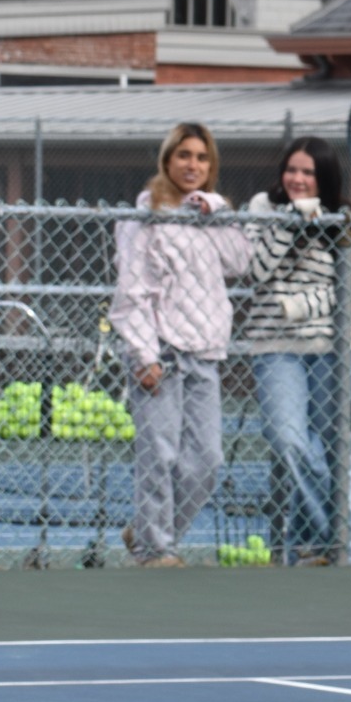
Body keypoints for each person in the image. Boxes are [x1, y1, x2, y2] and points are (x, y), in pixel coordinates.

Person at [110, 122, 252, 567]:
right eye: (184, 155)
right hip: (162, 351)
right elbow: (131, 292)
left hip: (205, 351)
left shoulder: (207, 213)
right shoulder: (146, 214)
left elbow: (240, 261)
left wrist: (219, 212)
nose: (193, 165)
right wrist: (144, 354)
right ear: (167, 160)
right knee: (160, 454)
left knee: (207, 459)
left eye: (202, 157)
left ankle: (149, 529)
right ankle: (155, 549)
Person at [245, 136, 351, 566]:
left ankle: (306, 550)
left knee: (331, 447)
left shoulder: (348, 219)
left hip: (335, 347)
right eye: (292, 170)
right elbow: (255, 270)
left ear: (325, 177)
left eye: (308, 172)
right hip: (276, 345)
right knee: (288, 440)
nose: (298, 179)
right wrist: (291, 221)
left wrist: (301, 305)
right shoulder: (264, 209)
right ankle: (342, 539)